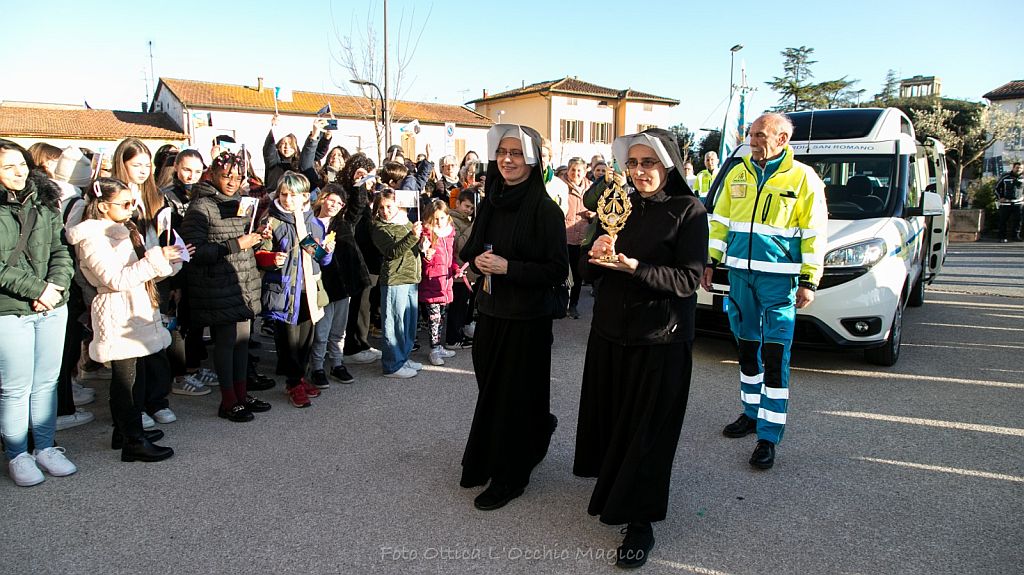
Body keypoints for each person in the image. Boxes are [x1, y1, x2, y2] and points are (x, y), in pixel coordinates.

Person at [573, 129, 707, 568]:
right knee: (616, 423)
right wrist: (594, 253)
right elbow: (588, 274)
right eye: (632, 163)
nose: (638, 171)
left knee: (648, 434)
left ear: (668, 164)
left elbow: (688, 280)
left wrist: (636, 267)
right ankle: (615, 492)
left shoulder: (688, 211)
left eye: (648, 162)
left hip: (660, 339)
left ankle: (640, 522)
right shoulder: (619, 207)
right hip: (611, 333)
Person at [701, 113, 828, 470]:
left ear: (782, 139)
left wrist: (809, 279)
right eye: (751, 134)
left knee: (774, 358)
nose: (752, 140)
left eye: (760, 135)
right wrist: (710, 261)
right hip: (740, 277)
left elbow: (815, 232)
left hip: (779, 282)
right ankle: (751, 412)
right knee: (746, 350)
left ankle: (768, 436)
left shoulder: (803, 178)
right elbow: (720, 222)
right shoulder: (737, 172)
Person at [459, 124, 569, 511]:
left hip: (528, 320)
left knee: (515, 398)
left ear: (533, 159)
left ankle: (512, 475)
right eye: (503, 152)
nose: (507, 159)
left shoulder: (546, 211)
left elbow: (557, 270)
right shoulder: (491, 202)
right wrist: (478, 261)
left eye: (517, 153)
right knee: (492, 391)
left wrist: (510, 268)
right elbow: (471, 251)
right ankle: (510, 446)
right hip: (491, 312)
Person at [66, 177, 188, 462]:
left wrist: (171, 261)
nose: (132, 208)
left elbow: (142, 271)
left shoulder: (125, 229)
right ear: (103, 205)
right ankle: (133, 440)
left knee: (136, 375)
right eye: (125, 203)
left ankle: (125, 432)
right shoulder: (92, 237)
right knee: (126, 381)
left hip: (136, 307)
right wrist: (157, 258)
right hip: (117, 310)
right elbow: (115, 279)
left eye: (133, 202)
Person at [0, 139, 76, 486]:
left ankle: (45, 447)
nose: (18, 172)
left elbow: (61, 249)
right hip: (10, 310)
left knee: (46, 382)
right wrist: (38, 289)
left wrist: (55, 286)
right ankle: (17, 454)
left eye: (21, 164)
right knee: (16, 387)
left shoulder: (45, 201)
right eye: (8, 167)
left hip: (52, 305)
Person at [181, 151, 269, 422]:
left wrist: (259, 236)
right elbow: (193, 251)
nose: (232, 182)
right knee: (227, 343)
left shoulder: (242, 203)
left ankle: (241, 395)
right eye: (226, 176)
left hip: (242, 282)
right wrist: (236, 244)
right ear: (213, 175)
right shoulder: (201, 206)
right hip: (217, 285)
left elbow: (245, 240)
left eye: (238, 177)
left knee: (242, 342)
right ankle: (228, 401)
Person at [256, 172, 332, 407]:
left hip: (309, 290)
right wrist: (271, 259)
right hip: (284, 291)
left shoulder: (313, 223)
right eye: (283, 194)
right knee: (288, 341)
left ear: (305, 197)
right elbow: (259, 254)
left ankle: (300, 378)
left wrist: (326, 252)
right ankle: (293, 383)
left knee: (306, 340)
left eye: (293, 195)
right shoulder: (272, 221)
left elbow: (320, 258)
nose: (287, 199)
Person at [160, 149, 217, 397]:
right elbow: (166, 237)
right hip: (175, 268)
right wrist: (174, 281)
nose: (191, 175)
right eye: (186, 169)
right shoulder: (166, 197)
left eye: (196, 170)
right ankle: (180, 375)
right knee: (179, 324)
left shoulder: (202, 194)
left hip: (197, 267)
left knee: (195, 322)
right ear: (176, 168)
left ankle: (193, 367)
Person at [309, 184, 366, 387]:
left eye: (339, 203)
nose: (334, 205)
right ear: (323, 198)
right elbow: (310, 251)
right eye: (331, 200)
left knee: (339, 329)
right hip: (321, 284)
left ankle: (337, 364)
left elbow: (358, 207)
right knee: (322, 331)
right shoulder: (309, 221)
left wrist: (359, 185)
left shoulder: (343, 223)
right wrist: (322, 251)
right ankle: (317, 367)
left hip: (343, 284)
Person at [371, 185, 423, 379]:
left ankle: (403, 357)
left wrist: (423, 245)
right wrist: (412, 237)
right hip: (395, 279)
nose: (385, 211)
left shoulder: (406, 222)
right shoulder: (379, 227)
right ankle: (392, 365)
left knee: (408, 323)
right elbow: (392, 252)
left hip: (411, 277)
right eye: (381, 207)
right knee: (394, 324)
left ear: (398, 205)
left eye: (389, 206)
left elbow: (412, 247)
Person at [339, 154, 383, 366]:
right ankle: (352, 347)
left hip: (369, 256)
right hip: (354, 255)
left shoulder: (370, 194)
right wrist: (359, 186)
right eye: (367, 176)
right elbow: (353, 216)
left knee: (364, 303)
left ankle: (362, 342)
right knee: (356, 304)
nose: (371, 181)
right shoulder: (348, 193)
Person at [418, 200, 461, 366]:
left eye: (442, 218)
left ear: (447, 217)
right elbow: (421, 257)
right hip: (431, 282)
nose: (438, 221)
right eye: (435, 218)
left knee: (441, 316)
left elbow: (452, 258)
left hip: (445, 281)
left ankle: (438, 346)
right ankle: (434, 349)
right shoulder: (426, 234)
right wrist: (426, 256)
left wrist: (456, 269)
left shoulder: (449, 234)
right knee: (434, 318)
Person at [445, 190, 477, 350]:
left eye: (472, 208)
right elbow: (459, 245)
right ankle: (453, 339)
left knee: (464, 306)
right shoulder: (451, 220)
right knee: (457, 307)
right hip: (458, 270)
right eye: (466, 206)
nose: (468, 210)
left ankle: (459, 333)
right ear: (457, 203)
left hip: (467, 270)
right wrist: (474, 227)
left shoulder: (465, 221)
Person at [563, 157, 594, 319]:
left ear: (585, 172)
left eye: (579, 170)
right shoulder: (561, 186)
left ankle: (573, 305)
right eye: (573, 170)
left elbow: (600, 209)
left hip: (583, 237)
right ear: (568, 171)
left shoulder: (592, 189)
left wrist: (593, 214)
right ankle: (560, 303)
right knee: (562, 272)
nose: (575, 173)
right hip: (564, 237)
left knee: (577, 274)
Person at [994, 162, 1023, 242]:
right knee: (1003, 221)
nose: (1018, 169)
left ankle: (1015, 236)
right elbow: (996, 188)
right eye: (1017, 167)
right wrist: (1000, 198)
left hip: (1018, 203)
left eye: (1020, 168)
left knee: (1018, 221)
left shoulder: (1023, 178)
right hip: (1005, 203)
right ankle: (1002, 237)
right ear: (1013, 168)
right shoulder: (1005, 177)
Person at [541, 138, 569, 216]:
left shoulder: (560, 186)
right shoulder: (521, 181)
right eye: (537, 155)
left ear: (549, 158)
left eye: (543, 156)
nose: (540, 159)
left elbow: (562, 213)